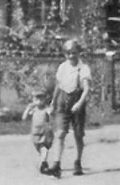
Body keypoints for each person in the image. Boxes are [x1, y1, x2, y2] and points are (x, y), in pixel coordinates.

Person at [47, 39, 92, 177]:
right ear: (64, 54)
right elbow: (58, 85)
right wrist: (53, 102)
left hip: (77, 102)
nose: (71, 56)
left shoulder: (83, 68)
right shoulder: (63, 67)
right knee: (60, 133)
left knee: (78, 135)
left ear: (78, 52)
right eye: (68, 53)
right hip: (62, 101)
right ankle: (56, 165)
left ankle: (77, 162)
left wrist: (79, 103)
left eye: (74, 53)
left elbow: (86, 89)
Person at [22, 89, 54, 175]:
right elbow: (24, 118)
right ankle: (44, 162)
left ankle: (42, 164)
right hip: (35, 134)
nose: (39, 102)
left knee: (44, 149)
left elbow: (51, 113)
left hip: (45, 134)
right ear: (33, 100)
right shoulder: (34, 110)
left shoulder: (46, 109)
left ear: (45, 99)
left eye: (41, 99)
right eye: (36, 99)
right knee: (41, 150)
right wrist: (28, 108)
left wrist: (51, 109)